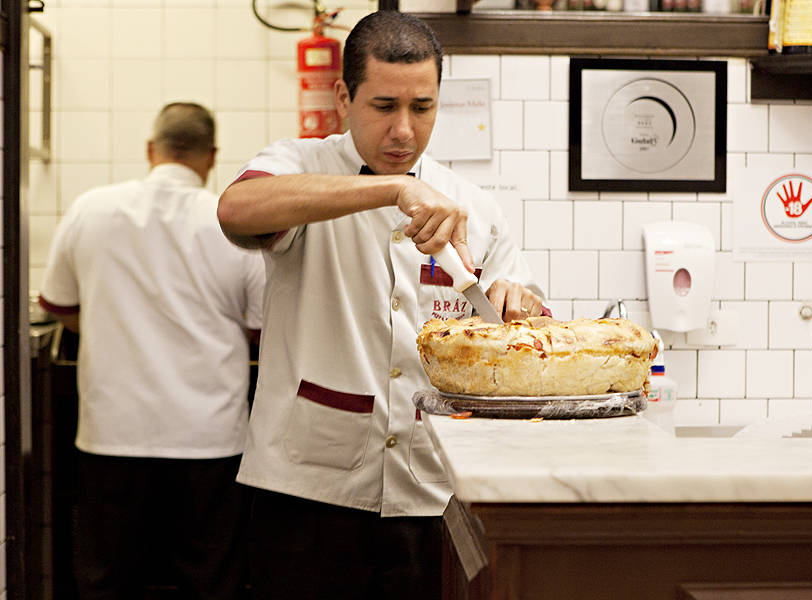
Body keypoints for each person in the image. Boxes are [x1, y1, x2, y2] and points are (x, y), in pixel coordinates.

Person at [216, 10, 546, 600]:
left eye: (422, 108)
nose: (403, 130)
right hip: (308, 492)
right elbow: (236, 211)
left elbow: (518, 321)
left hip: (434, 493)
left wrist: (519, 305)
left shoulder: (474, 205)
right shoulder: (302, 166)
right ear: (344, 97)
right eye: (383, 106)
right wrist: (393, 189)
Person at [39, 102, 265, 599]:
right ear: (211, 157)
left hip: (113, 436)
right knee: (211, 580)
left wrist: (109, 325)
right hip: (209, 441)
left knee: (105, 579)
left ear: (150, 149)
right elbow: (260, 328)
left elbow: (59, 304)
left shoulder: (90, 208)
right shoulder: (232, 222)